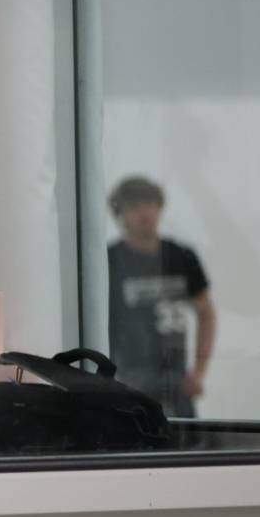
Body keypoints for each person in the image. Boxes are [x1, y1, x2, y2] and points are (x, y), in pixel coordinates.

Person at [105, 176, 215, 418]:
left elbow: (206, 313)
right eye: (134, 206)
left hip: (175, 381)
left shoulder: (181, 256)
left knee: (184, 446)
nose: (144, 212)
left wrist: (198, 371)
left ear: (160, 207)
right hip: (127, 379)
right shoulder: (109, 261)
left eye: (150, 203)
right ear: (120, 213)